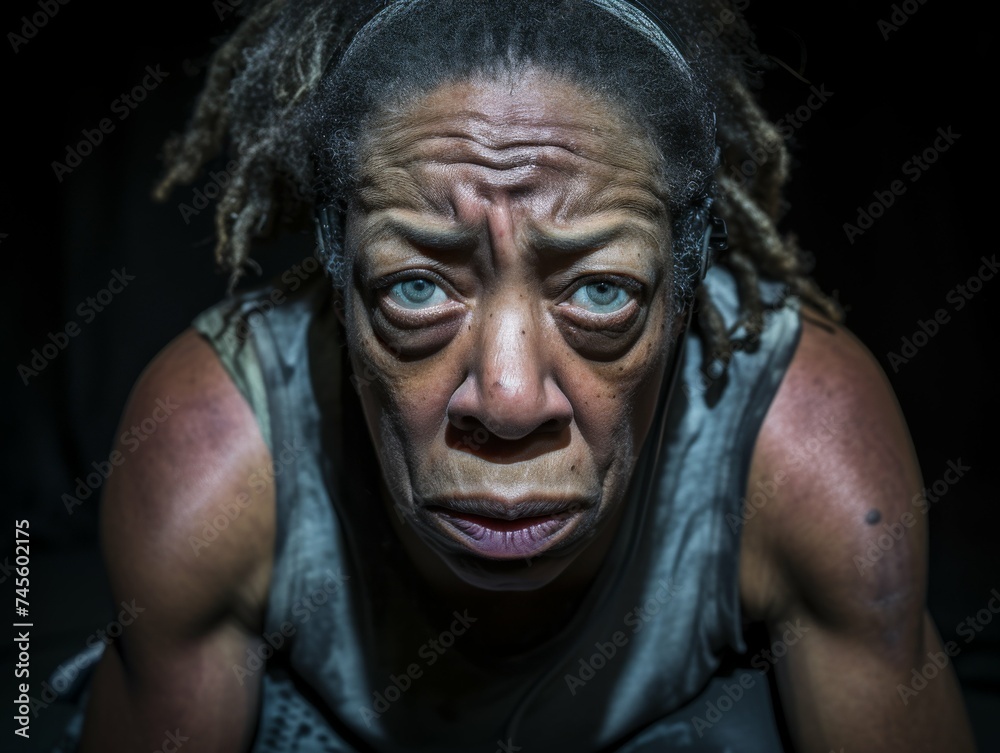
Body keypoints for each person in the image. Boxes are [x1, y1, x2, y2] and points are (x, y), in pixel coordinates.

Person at [59, 1, 975, 751]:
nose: (507, 400)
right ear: (334, 279)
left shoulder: (806, 446)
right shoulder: (215, 452)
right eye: (417, 288)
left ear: (688, 286)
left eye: (603, 292)